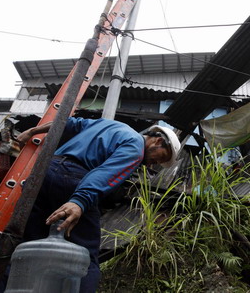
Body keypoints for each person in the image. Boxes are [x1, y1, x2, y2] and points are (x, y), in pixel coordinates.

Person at [14, 117, 181, 293]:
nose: (150, 164)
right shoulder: (135, 148)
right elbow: (106, 174)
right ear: (159, 141)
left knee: (26, 245)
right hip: (73, 182)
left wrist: (33, 131)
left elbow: (68, 122)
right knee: (86, 257)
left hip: (44, 172)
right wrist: (79, 201)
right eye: (158, 159)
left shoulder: (110, 125)